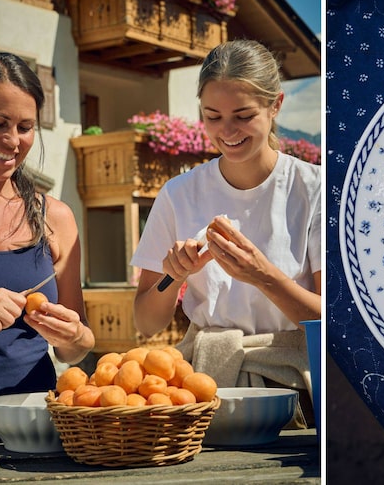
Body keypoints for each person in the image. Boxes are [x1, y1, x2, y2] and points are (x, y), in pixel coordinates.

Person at [131, 39, 321, 426]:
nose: (227, 130)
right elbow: (145, 322)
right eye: (212, 116)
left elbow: (328, 319)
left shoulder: (311, 188)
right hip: (205, 388)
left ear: (275, 106)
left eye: (243, 115)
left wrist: (262, 276)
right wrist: (175, 275)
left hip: (294, 391)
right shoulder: (178, 194)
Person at [0, 51, 94, 444]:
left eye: (26, 127)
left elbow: (74, 350)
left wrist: (73, 337)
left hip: (36, 437)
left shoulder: (56, 218)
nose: (12, 141)